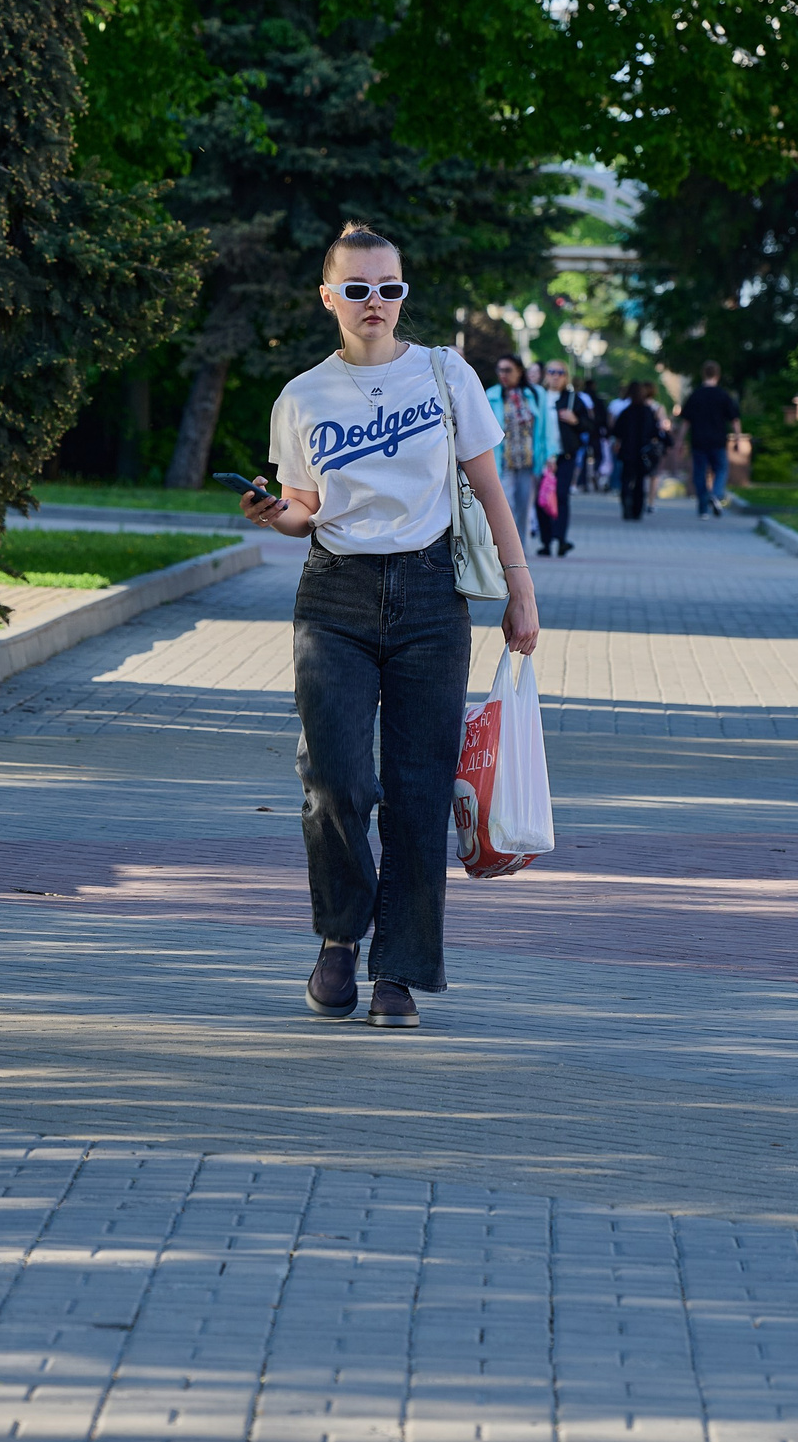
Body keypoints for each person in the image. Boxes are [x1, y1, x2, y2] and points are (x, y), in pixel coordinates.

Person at [236, 222, 539, 1032]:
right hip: (334, 595)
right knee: (335, 780)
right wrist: (278, 514)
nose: (377, 304)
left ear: (404, 293)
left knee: (416, 793)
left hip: (433, 596)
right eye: (360, 289)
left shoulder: (445, 376)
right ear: (329, 295)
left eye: (391, 289)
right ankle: (341, 935)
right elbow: (304, 509)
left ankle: (397, 973)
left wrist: (521, 588)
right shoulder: (302, 395)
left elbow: (490, 487)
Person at [485, 355, 553, 544]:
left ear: (519, 371)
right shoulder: (492, 395)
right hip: (502, 460)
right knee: (505, 506)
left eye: (508, 370)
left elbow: (547, 428)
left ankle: (520, 551)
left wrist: (550, 456)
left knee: (524, 507)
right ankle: (503, 549)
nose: (503, 375)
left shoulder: (535, 394)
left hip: (528, 460)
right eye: (500, 370)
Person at [539, 360, 588, 557]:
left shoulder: (573, 399)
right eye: (551, 371)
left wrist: (575, 420)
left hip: (565, 455)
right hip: (542, 457)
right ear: (545, 374)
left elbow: (590, 425)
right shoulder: (539, 397)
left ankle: (560, 540)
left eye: (560, 372)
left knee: (560, 495)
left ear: (566, 377)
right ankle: (546, 541)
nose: (556, 376)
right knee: (542, 499)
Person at [681, 360, 742, 517]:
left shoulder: (695, 395)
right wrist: (737, 439)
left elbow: (686, 421)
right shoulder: (723, 395)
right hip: (718, 440)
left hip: (698, 440)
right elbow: (734, 419)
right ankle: (716, 493)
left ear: (703, 374)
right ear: (718, 375)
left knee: (699, 473)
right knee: (721, 469)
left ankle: (703, 509)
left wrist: (680, 441)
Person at [612, 379, 666, 522]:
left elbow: (616, 431)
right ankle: (637, 510)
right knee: (640, 482)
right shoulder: (648, 412)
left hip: (628, 451)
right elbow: (655, 432)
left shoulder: (626, 412)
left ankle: (627, 507)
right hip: (643, 453)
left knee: (626, 480)